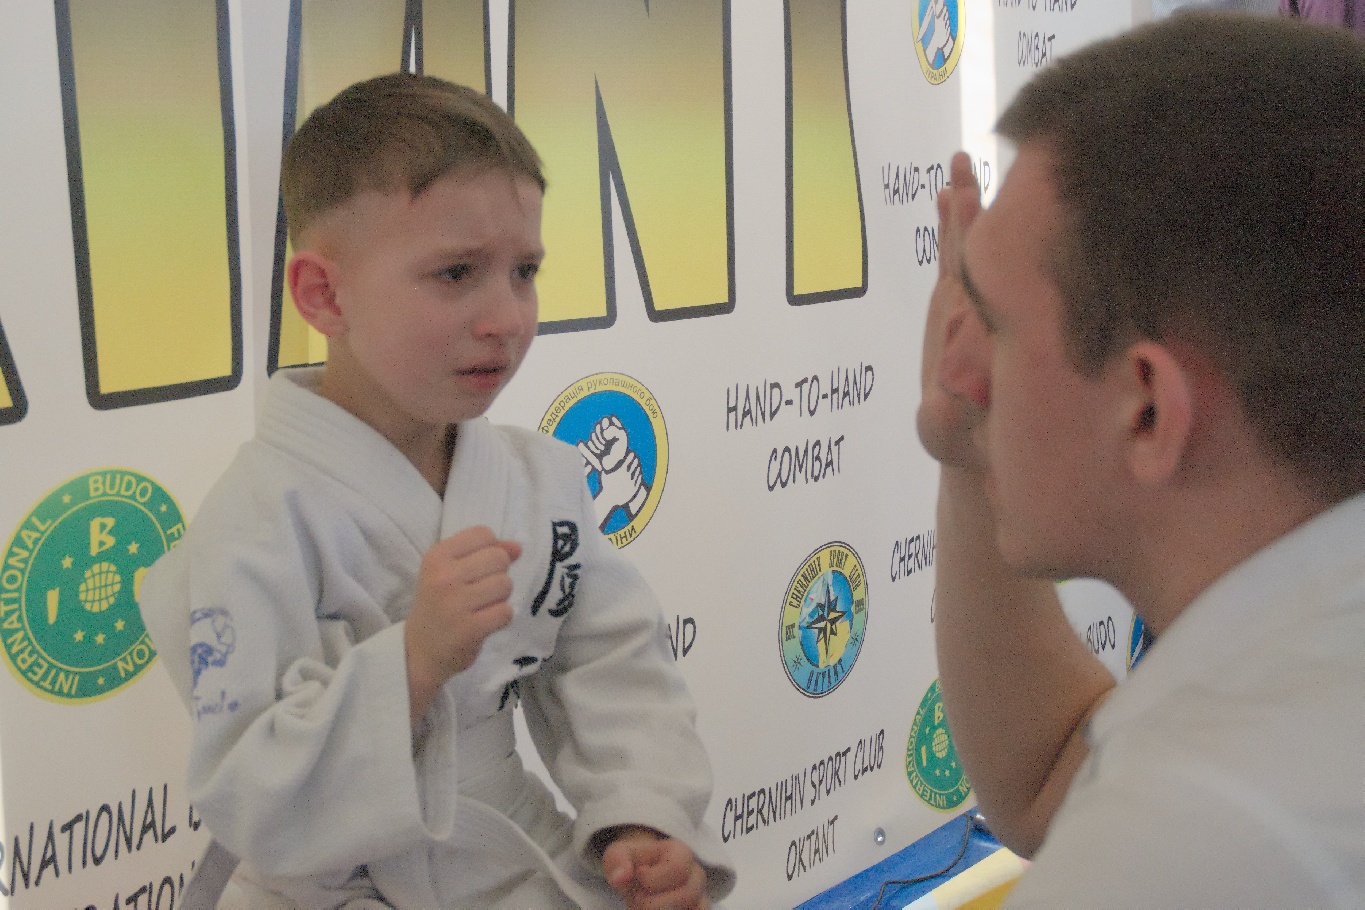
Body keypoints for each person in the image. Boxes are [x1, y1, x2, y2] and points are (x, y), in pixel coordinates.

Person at [140, 73, 734, 909]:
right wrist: (412, 662)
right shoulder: (254, 520)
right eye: (456, 273)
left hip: (508, 860)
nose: (507, 317)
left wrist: (639, 817)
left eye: (523, 271)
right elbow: (248, 788)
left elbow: (610, 661)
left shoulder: (540, 481)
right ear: (324, 295)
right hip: (321, 887)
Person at [917, 13, 1362, 906]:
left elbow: (1147, 825)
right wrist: (972, 455)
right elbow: (1051, 782)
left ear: (1148, 409)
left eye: (993, 323)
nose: (956, 373)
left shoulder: (1196, 838)